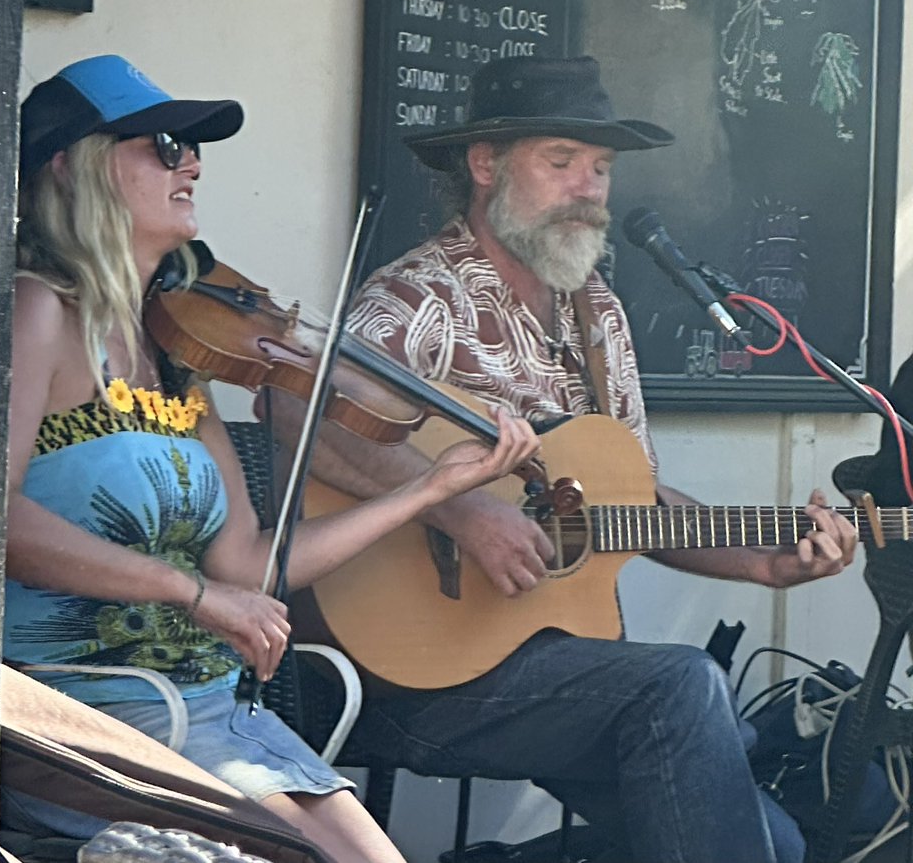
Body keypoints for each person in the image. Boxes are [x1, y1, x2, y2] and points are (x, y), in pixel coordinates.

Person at [279, 56, 859, 863]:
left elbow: (631, 501)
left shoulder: (599, 315)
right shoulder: (422, 298)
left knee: (776, 844)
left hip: (553, 668)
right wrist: (460, 510)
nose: (590, 187)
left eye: (602, 167)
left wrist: (765, 562)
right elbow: (295, 408)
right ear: (486, 164)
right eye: (562, 161)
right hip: (409, 676)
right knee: (682, 685)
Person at [0, 54, 539, 863]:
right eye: (164, 145)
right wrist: (190, 592)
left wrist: (432, 489)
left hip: (215, 708)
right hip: (89, 715)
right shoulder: (39, 311)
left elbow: (248, 564)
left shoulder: (175, 355)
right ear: (71, 166)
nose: (191, 162)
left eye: (191, 148)